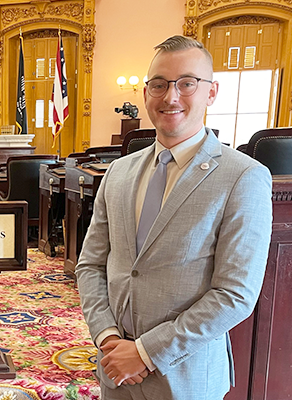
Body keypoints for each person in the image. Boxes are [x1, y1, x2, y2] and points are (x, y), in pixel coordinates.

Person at [75, 35, 272, 400]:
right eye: (159, 84)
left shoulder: (243, 176)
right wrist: (108, 338)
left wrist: (146, 353)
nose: (171, 96)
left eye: (187, 83)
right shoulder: (117, 173)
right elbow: (90, 266)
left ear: (211, 92)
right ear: (147, 91)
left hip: (186, 378)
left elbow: (235, 294)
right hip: (114, 370)